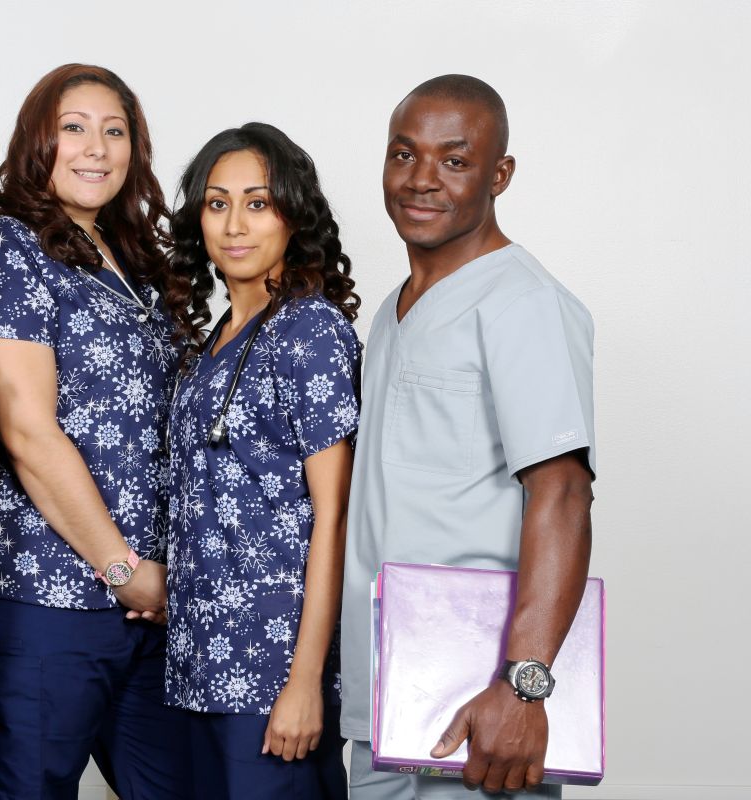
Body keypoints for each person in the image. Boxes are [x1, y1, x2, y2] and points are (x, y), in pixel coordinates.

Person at [340, 75, 596, 799]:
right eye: (403, 155)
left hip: (478, 699)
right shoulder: (393, 312)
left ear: (499, 174)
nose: (422, 180)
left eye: (455, 160)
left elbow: (565, 493)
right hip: (386, 694)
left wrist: (523, 687)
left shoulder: (523, 303)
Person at [0, 64, 190, 799]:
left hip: (151, 607)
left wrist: (151, 581)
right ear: (38, 142)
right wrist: (123, 569)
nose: (96, 147)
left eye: (114, 130)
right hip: (50, 602)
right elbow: (27, 430)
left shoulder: (138, 260)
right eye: (74, 128)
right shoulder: (11, 248)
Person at [162, 122, 362, 799]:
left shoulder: (309, 331)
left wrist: (305, 681)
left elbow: (334, 517)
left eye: (257, 202)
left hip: (272, 670)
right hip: (196, 668)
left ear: (292, 216)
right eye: (217, 203)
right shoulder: (210, 339)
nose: (234, 224)